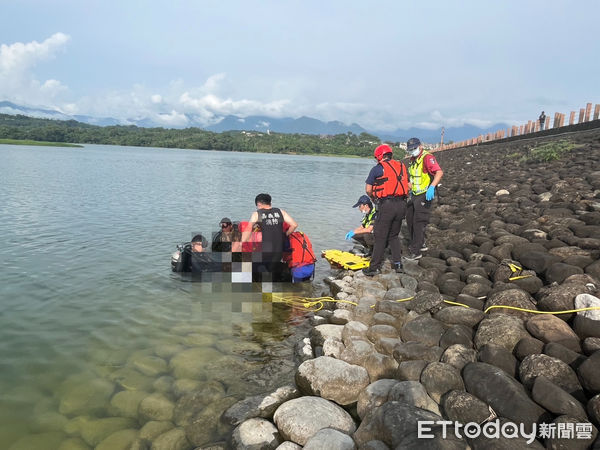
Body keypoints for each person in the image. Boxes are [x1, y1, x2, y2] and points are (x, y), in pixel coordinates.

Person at [363, 144, 410, 276]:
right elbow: (409, 185)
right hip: (401, 205)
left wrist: (374, 198)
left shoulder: (377, 169)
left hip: (387, 205)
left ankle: (373, 267)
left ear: (379, 156)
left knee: (380, 236)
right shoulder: (402, 167)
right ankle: (398, 264)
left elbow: (368, 189)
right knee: (394, 235)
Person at [242, 193, 298, 278]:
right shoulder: (281, 212)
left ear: (259, 204)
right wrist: (285, 234)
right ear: (269, 203)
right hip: (278, 251)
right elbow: (294, 225)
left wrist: (241, 242)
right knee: (270, 271)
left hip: (266, 251)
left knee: (255, 269)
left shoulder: (257, 214)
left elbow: (248, 228)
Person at [405, 137, 444, 260]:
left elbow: (439, 172)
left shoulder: (427, 158)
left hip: (424, 194)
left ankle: (416, 251)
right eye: (410, 149)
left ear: (420, 146)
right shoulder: (412, 160)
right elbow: (412, 177)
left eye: (414, 148)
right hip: (414, 194)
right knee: (409, 219)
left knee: (418, 222)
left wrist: (432, 187)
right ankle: (420, 243)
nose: (413, 151)